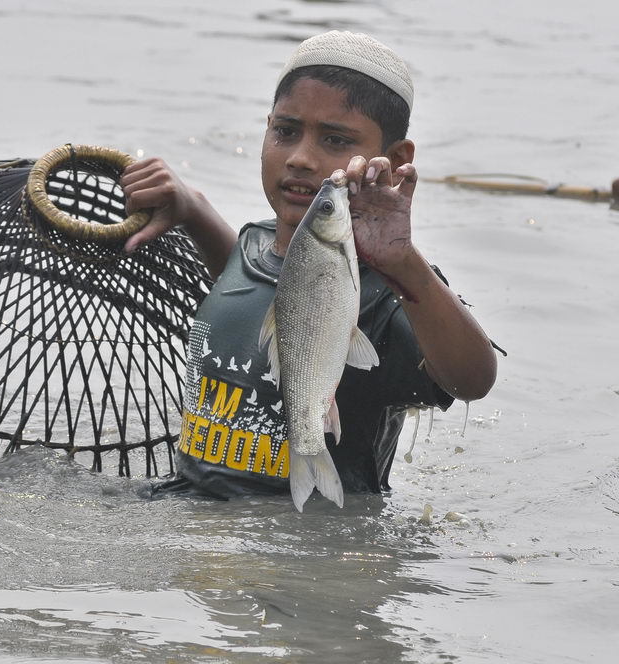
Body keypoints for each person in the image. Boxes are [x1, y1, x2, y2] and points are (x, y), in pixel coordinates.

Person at [120, 31, 500, 499]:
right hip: (194, 525)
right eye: (285, 131)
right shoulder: (252, 242)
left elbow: (472, 379)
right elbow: (250, 291)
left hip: (305, 550)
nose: (300, 158)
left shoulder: (384, 291)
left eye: (336, 140)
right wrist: (194, 211)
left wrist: (404, 263)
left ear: (395, 158)